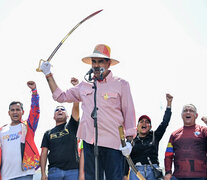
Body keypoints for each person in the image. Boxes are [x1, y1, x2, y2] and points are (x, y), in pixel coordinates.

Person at [40, 44, 137, 180]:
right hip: (90, 144)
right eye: (94, 61)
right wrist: (48, 74)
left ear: (108, 63)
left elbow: (129, 112)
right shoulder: (84, 86)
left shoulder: (121, 84)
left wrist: (130, 140)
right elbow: (60, 96)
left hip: (114, 143)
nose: (96, 65)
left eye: (100, 61)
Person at [40, 77, 83, 180]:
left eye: (62, 109)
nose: (60, 110)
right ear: (54, 116)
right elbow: (44, 153)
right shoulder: (48, 133)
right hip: (54, 171)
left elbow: (76, 107)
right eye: (57, 110)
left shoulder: (72, 126)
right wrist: (42, 173)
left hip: (73, 171)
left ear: (68, 116)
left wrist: (76, 88)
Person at [123, 94, 173, 180]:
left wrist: (169, 104)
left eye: (147, 122)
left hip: (153, 172)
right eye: (141, 122)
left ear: (150, 127)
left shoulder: (155, 136)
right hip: (136, 172)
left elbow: (165, 123)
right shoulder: (131, 140)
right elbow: (127, 158)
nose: (144, 123)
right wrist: (124, 174)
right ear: (137, 127)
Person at [0, 81, 40, 180]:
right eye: (12, 110)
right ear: (9, 113)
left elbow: (35, 110)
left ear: (23, 112)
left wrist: (34, 92)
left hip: (24, 174)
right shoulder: (2, 130)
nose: (15, 112)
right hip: (6, 175)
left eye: (18, 110)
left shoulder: (27, 126)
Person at [164, 104, 207, 180]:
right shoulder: (174, 134)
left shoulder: (203, 130)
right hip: (178, 176)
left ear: (196, 115)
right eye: (185, 110)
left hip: (201, 176)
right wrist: (168, 172)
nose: (188, 112)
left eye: (191, 111)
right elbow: (168, 154)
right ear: (181, 115)